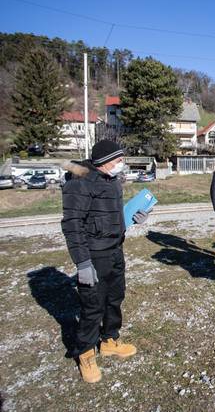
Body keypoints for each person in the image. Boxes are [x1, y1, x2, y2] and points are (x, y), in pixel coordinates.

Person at [61, 140, 149, 383]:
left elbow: (112, 214)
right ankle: (86, 352)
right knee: (92, 306)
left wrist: (133, 218)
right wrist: (83, 263)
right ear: (103, 161)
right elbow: (73, 225)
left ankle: (110, 340)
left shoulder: (112, 181)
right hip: (93, 254)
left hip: (114, 250)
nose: (121, 164)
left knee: (114, 298)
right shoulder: (80, 183)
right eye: (118, 160)